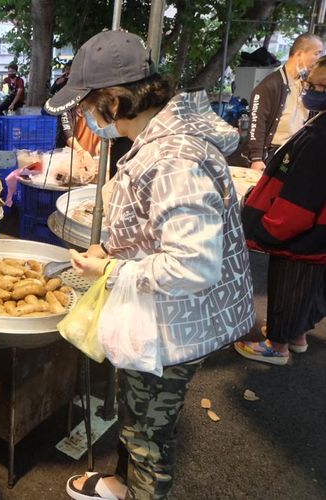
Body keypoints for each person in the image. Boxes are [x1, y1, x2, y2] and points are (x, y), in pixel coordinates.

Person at [44, 30, 255, 500]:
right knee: (136, 412)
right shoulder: (159, 138)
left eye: (86, 104)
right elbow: (160, 230)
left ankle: (141, 490)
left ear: (115, 100)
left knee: (148, 436)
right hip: (169, 311)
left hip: (178, 322)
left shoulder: (173, 157)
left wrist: (113, 271)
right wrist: (114, 251)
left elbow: (192, 265)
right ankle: (119, 484)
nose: (84, 116)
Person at [235, 56, 326, 365]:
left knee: (290, 284)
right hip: (316, 236)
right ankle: (295, 336)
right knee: (307, 286)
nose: (311, 91)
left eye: (319, 86)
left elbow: (301, 199)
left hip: (302, 232)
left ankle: (277, 345)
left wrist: (269, 227)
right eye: (309, 84)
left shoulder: (320, 138)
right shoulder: (320, 123)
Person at [244, 33, 323, 171]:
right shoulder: (270, 84)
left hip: (296, 152)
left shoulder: (307, 83)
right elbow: (257, 121)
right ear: (299, 54)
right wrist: (257, 158)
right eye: (317, 53)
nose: (319, 59)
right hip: (274, 153)